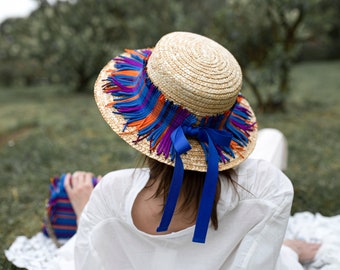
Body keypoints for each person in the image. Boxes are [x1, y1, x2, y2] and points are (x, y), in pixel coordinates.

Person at [5, 32, 329, 269]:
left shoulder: (111, 196)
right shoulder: (268, 188)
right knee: (272, 138)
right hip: (245, 192)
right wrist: (285, 252)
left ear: (140, 123)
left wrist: (86, 216)